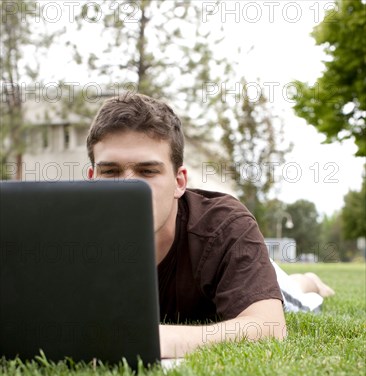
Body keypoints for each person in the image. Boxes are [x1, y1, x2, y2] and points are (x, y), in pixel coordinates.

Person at [86, 93, 334, 358]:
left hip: (241, 275)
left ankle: (309, 281)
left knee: (292, 294)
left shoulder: (225, 226)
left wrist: (152, 339)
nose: (128, 187)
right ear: (91, 179)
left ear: (179, 182)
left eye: (148, 171)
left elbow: (269, 326)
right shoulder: (67, 231)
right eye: (110, 172)